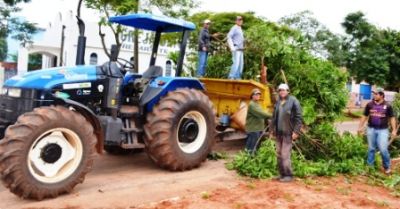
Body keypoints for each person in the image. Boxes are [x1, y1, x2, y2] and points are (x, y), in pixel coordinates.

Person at [357, 87, 397, 174]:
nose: (374, 95)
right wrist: (360, 127)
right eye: (374, 94)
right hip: (371, 129)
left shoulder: (388, 106)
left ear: (382, 95)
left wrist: (394, 130)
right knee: (371, 149)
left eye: (376, 94)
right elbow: (364, 116)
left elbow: (392, 118)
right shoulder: (369, 104)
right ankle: (369, 167)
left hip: (383, 130)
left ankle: (387, 167)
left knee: (383, 149)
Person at [270, 84, 303, 182]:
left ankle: (288, 175)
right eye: (280, 90)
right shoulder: (278, 102)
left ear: (288, 91)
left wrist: (296, 131)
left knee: (285, 154)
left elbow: (299, 117)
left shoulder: (293, 101)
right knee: (279, 154)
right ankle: (282, 174)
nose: (282, 92)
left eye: (284, 90)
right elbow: (274, 118)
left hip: (288, 133)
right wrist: (271, 130)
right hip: (278, 133)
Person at [245, 88, 271, 153]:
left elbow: (263, 112)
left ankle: (250, 158)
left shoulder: (257, 103)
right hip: (253, 129)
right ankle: (248, 159)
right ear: (252, 96)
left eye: (259, 94)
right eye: (256, 94)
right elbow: (261, 113)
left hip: (258, 129)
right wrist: (273, 115)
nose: (258, 96)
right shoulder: (252, 104)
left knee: (255, 146)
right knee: (251, 147)